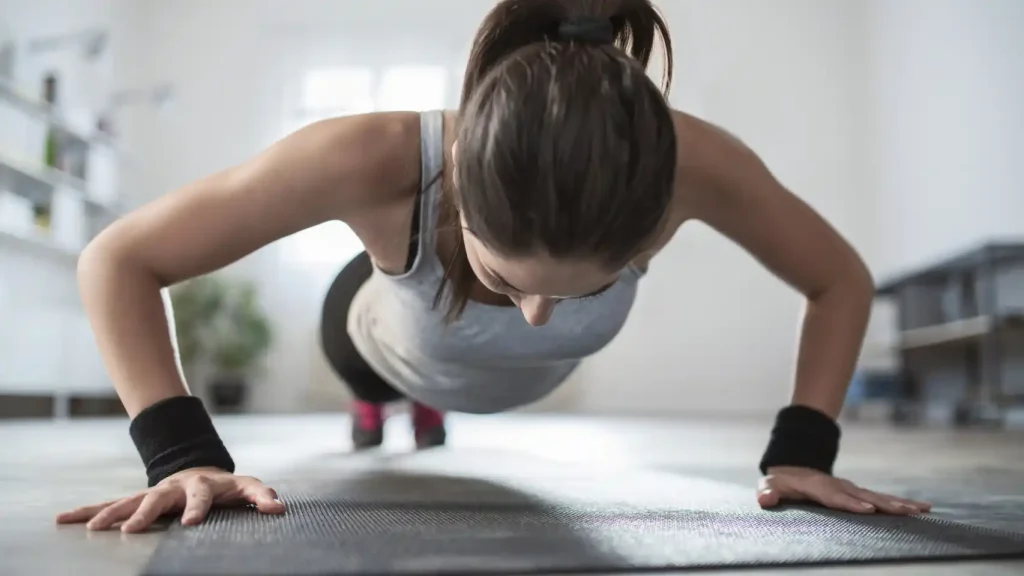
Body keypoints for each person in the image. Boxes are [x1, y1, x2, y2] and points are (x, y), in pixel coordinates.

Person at [56, 0, 931, 534]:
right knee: (381, 353)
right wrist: (180, 455)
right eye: (510, 283)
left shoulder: (686, 165)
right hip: (375, 334)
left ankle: (435, 386)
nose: (539, 315)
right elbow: (120, 258)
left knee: (499, 338)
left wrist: (803, 453)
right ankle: (384, 399)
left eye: (582, 286)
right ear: (461, 192)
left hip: (504, 378)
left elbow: (839, 278)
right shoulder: (373, 157)